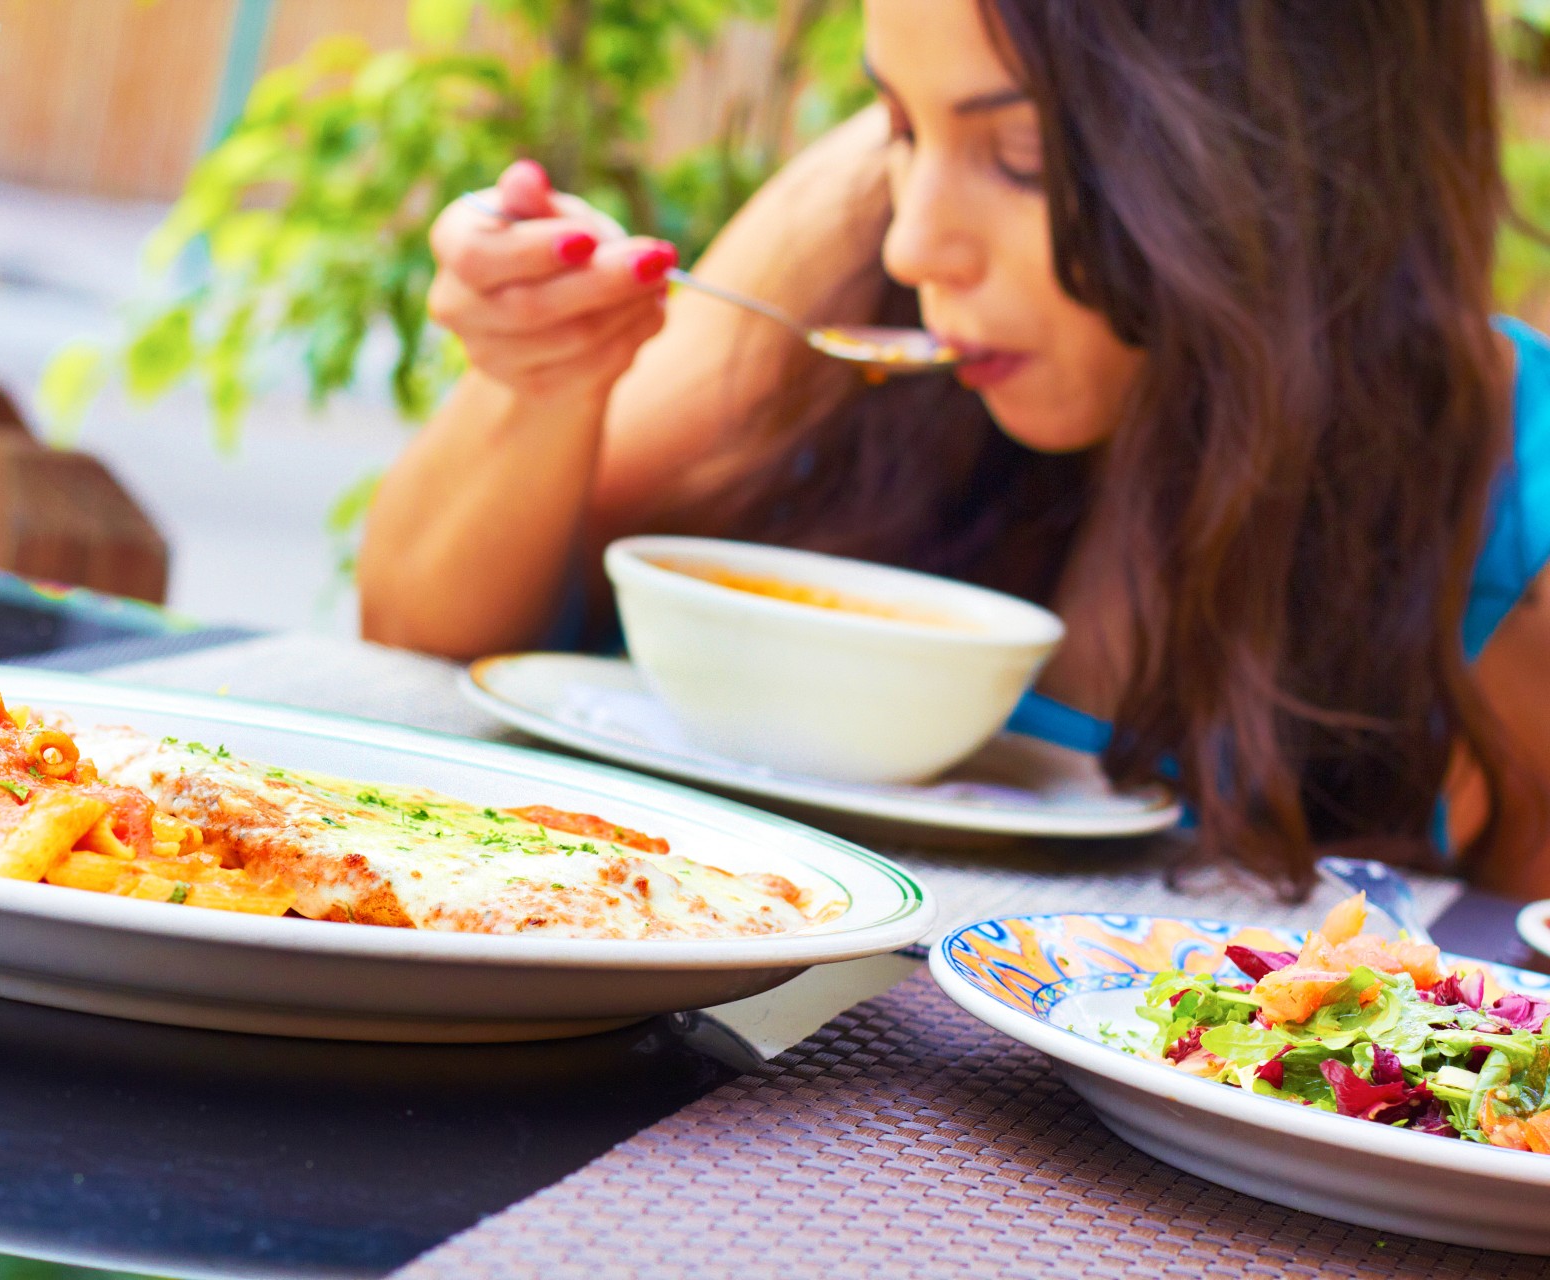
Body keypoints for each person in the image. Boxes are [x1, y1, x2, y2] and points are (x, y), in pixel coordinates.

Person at [359, 0, 1550, 900]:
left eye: (1020, 159)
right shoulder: (857, 223)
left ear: (1296, 155)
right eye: (896, 122)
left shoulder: (1507, 495)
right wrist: (538, 382)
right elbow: (420, 631)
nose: (921, 240)